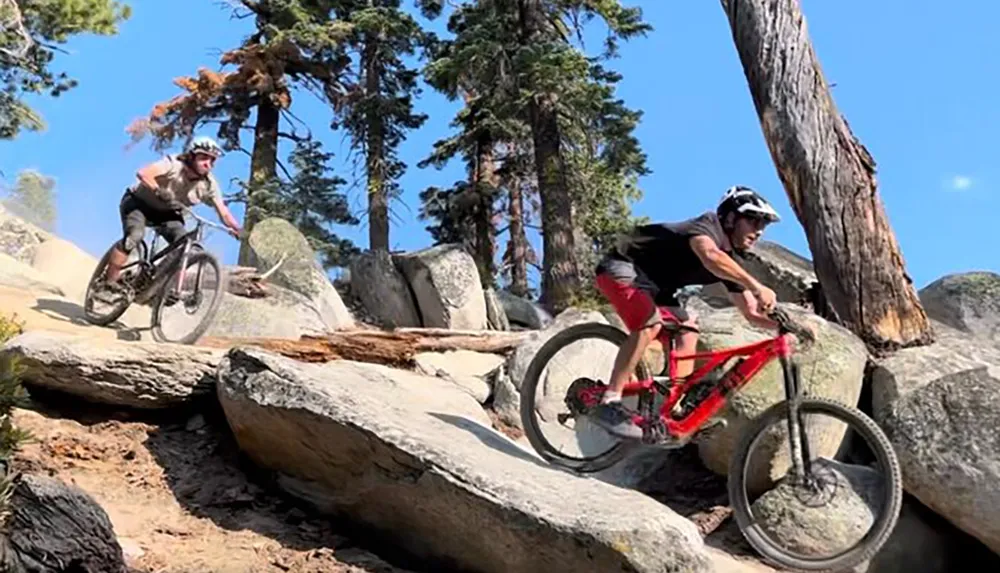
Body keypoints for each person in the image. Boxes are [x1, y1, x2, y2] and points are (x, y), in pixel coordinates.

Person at [590, 185, 784, 439]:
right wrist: (756, 285)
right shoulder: (706, 227)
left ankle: (670, 411)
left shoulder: (731, 262)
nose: (758, 231)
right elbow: (709, 255)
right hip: (623, 267)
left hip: (655, 289)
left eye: (763, 226)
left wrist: (783, 328)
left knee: (688, 327)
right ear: (731, 217)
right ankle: (610, 401)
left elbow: (750, 313)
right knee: (650, 324)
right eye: (753, 221)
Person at [102, 135, 242, 291]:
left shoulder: (209, 185)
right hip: (138, 203)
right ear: (191, 155)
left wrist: (237, 229)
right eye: (203, 158)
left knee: (185, 246)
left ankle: (160, 286)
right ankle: (109, 281)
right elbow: (143, 173)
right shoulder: (173, 164)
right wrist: (158, 190)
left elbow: (224, 213)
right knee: (134, 237)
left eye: (212, 160)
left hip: (167, 214)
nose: (207, 164)